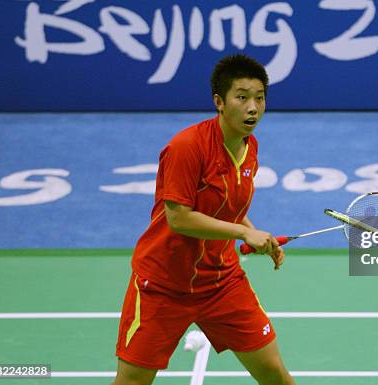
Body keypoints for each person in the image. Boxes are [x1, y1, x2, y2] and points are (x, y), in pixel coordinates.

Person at [111, 54, 295, 385]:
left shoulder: (248, 147)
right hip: (163, 285)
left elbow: (229, 207)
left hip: (221, 282)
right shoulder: (186, 147)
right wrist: (241, 232)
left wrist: (255, 235)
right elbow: (178, 219)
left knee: (273, 372)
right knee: (132, 381)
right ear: (219, 102)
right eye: (242, 97)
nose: (253, 107)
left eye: (259, 98)